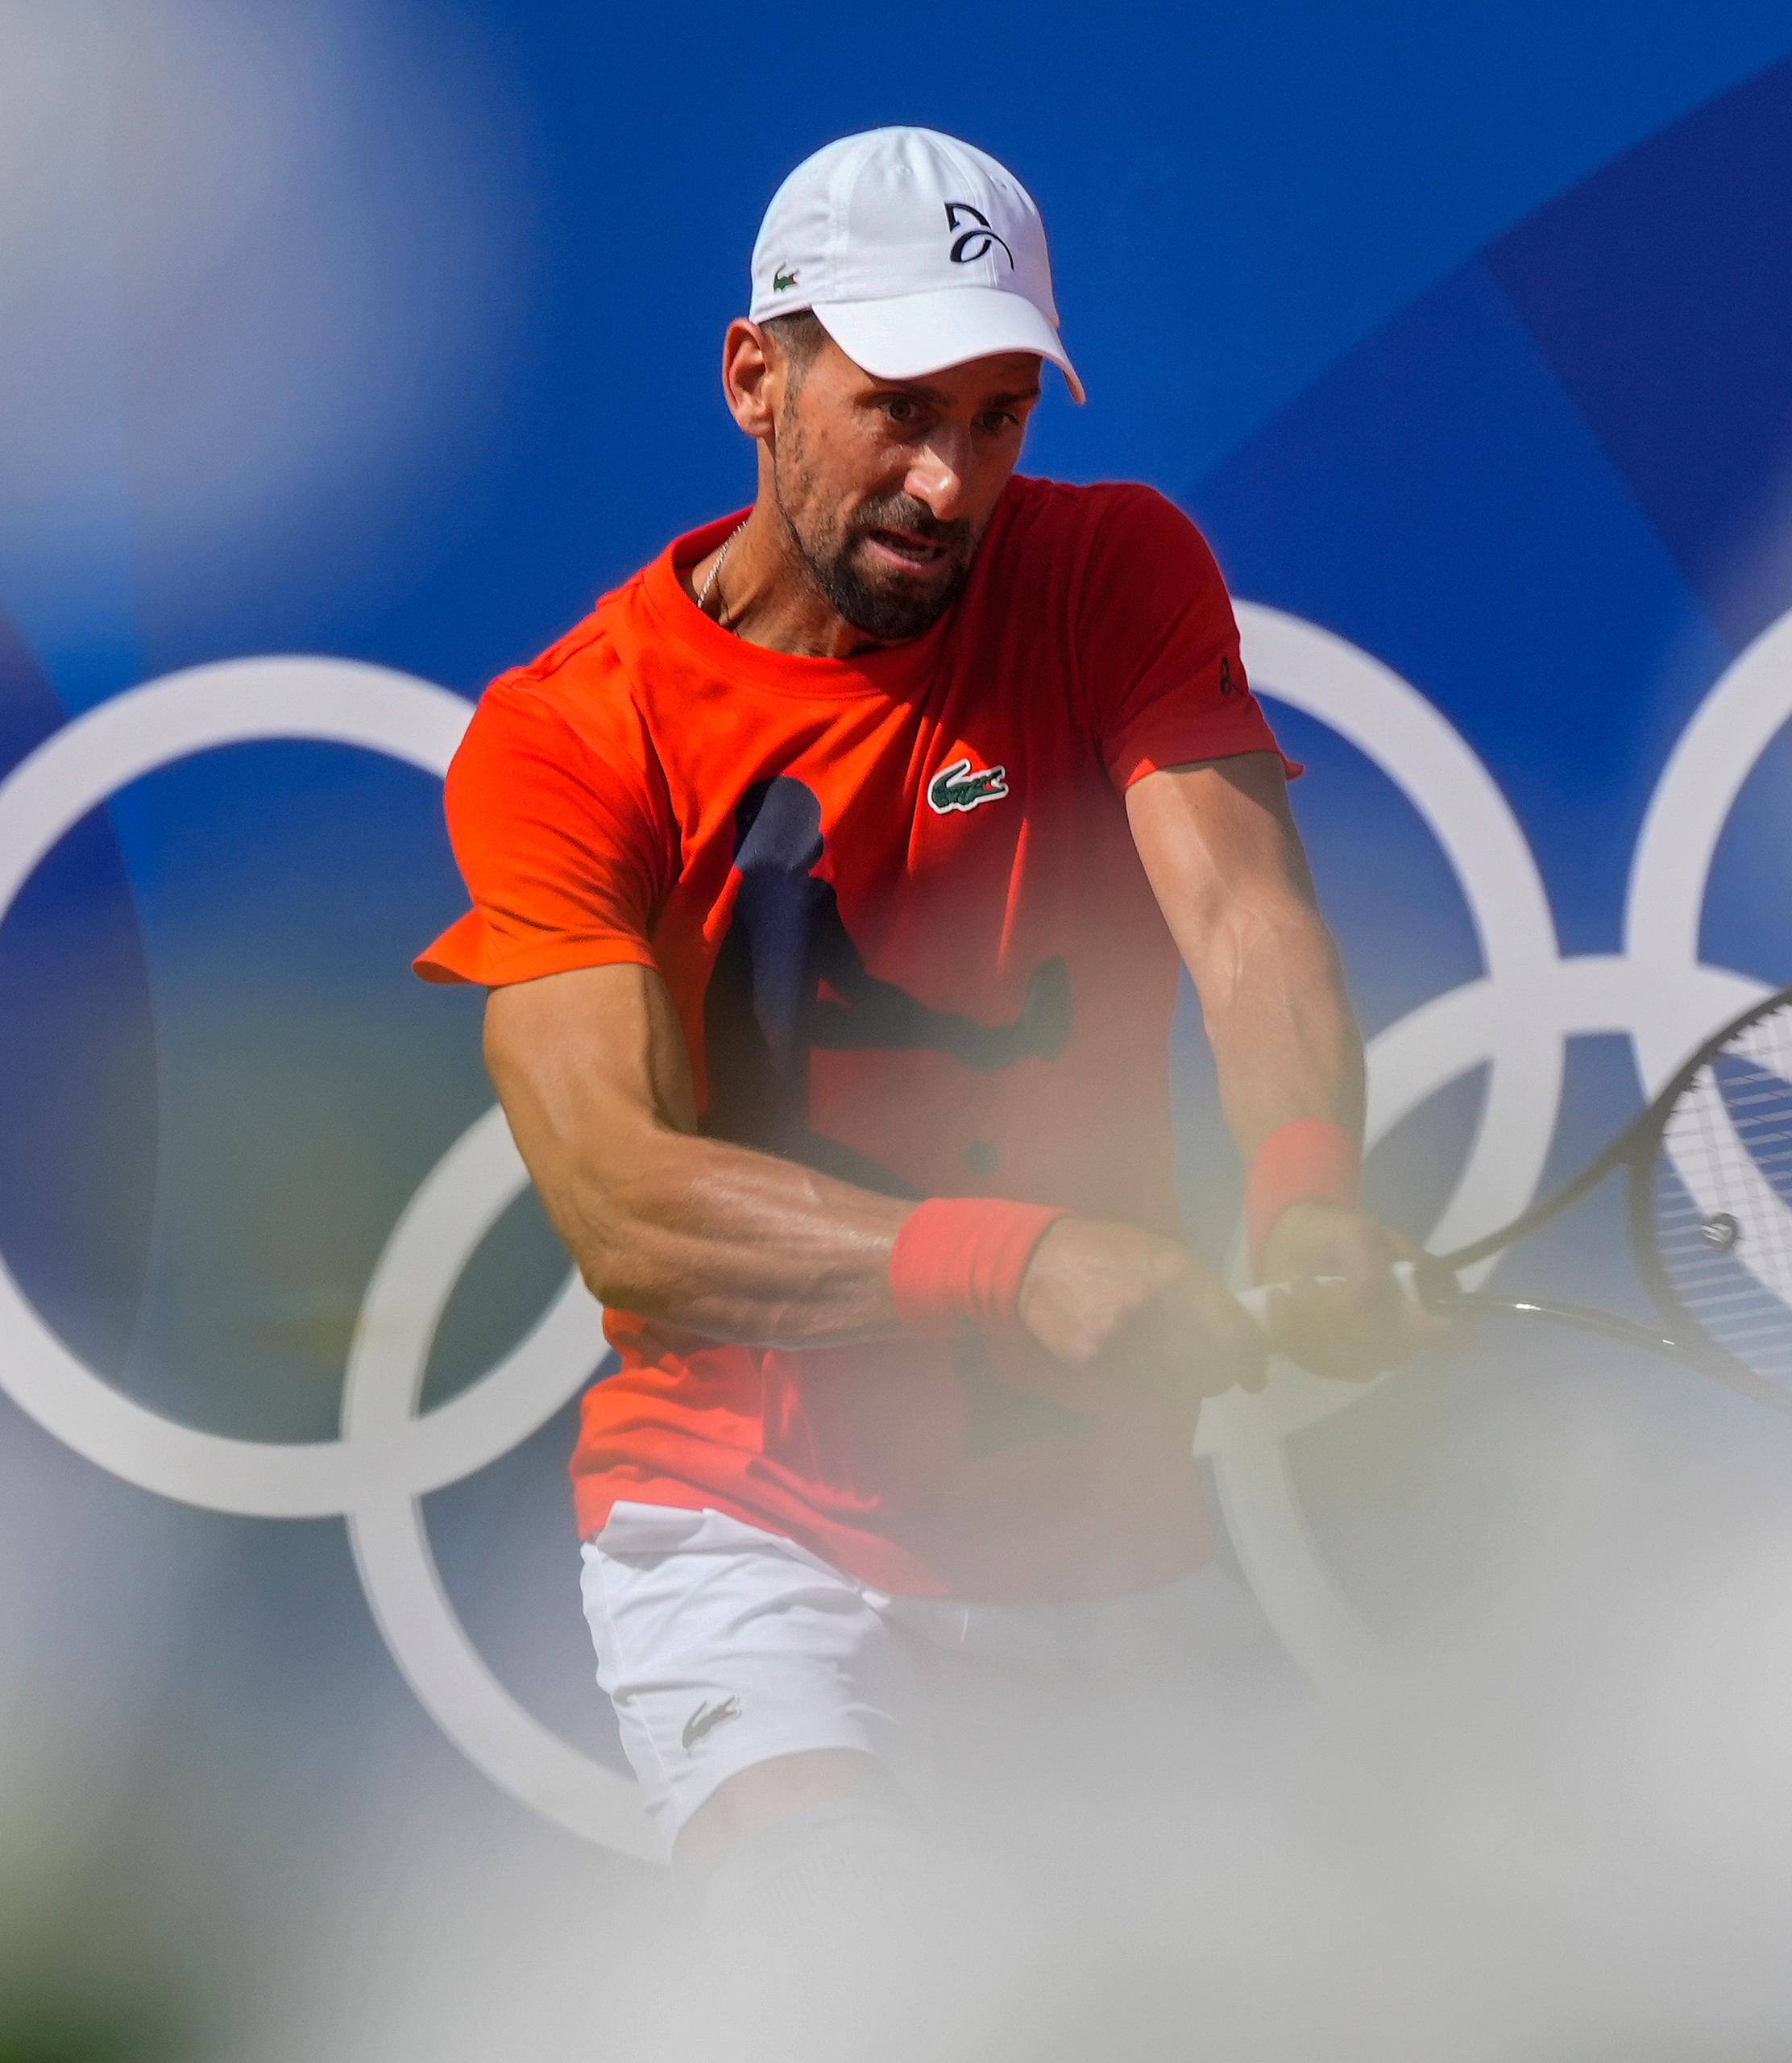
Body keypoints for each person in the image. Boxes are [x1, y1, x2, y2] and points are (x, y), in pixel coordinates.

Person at [412, 124, 1450, 2022]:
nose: (950, 477)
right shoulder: (568, 741)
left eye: (994, 415)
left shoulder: (1121, 570)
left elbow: (1245, 924)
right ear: (757, 376)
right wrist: (1024, 1259)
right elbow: (623, 1204)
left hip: (1115, 1554)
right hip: (750, 1538)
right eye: (898, 408)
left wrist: (1303, 1185)